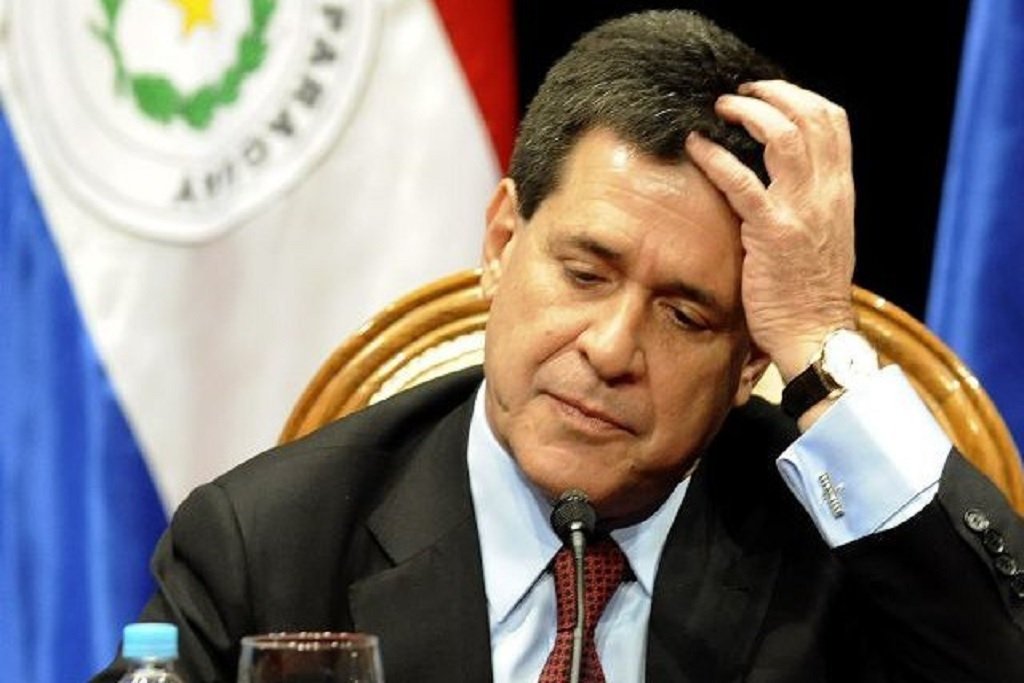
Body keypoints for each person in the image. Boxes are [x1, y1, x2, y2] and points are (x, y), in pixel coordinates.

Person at [95, 10, 1024, 682]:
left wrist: (820, 340)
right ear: (503, 243)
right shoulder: (270, 545)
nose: (612, 349)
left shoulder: (839, 559)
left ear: (751, 361)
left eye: (685, 316)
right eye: (585, 273)